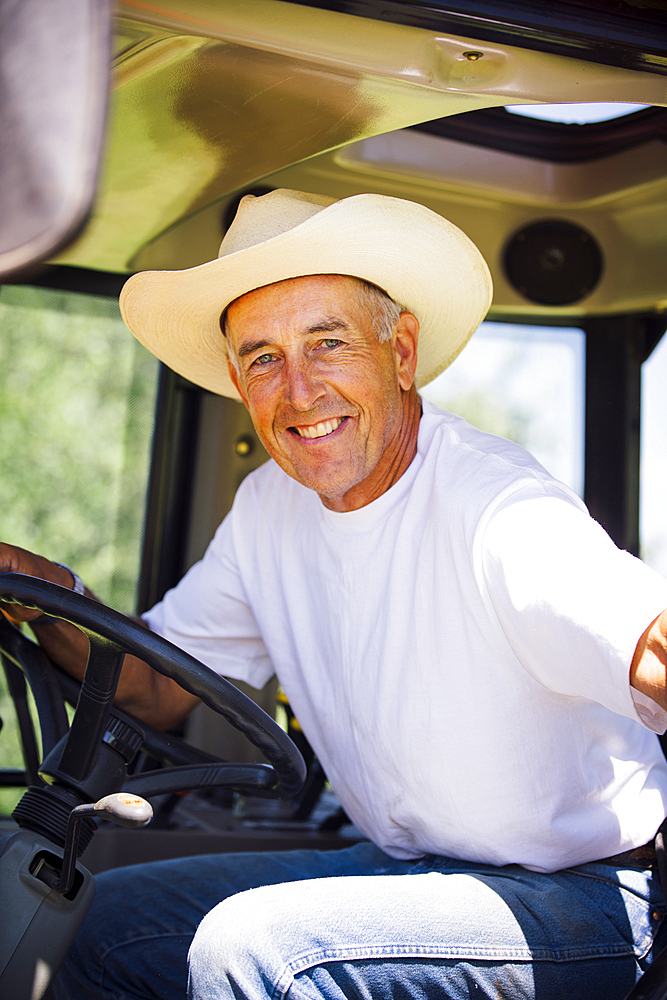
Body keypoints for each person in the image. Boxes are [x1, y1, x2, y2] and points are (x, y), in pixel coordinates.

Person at [3, 188, 667, 1000]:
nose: (299, 391)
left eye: (327, 343)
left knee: (257, 951)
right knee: (89, 922)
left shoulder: (494, 506)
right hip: (410, 868)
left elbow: (650, 645)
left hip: (589, 896)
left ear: (400, 351)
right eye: (263, 358)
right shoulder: (266, 513)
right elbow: (151, 690)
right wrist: (49, 593)